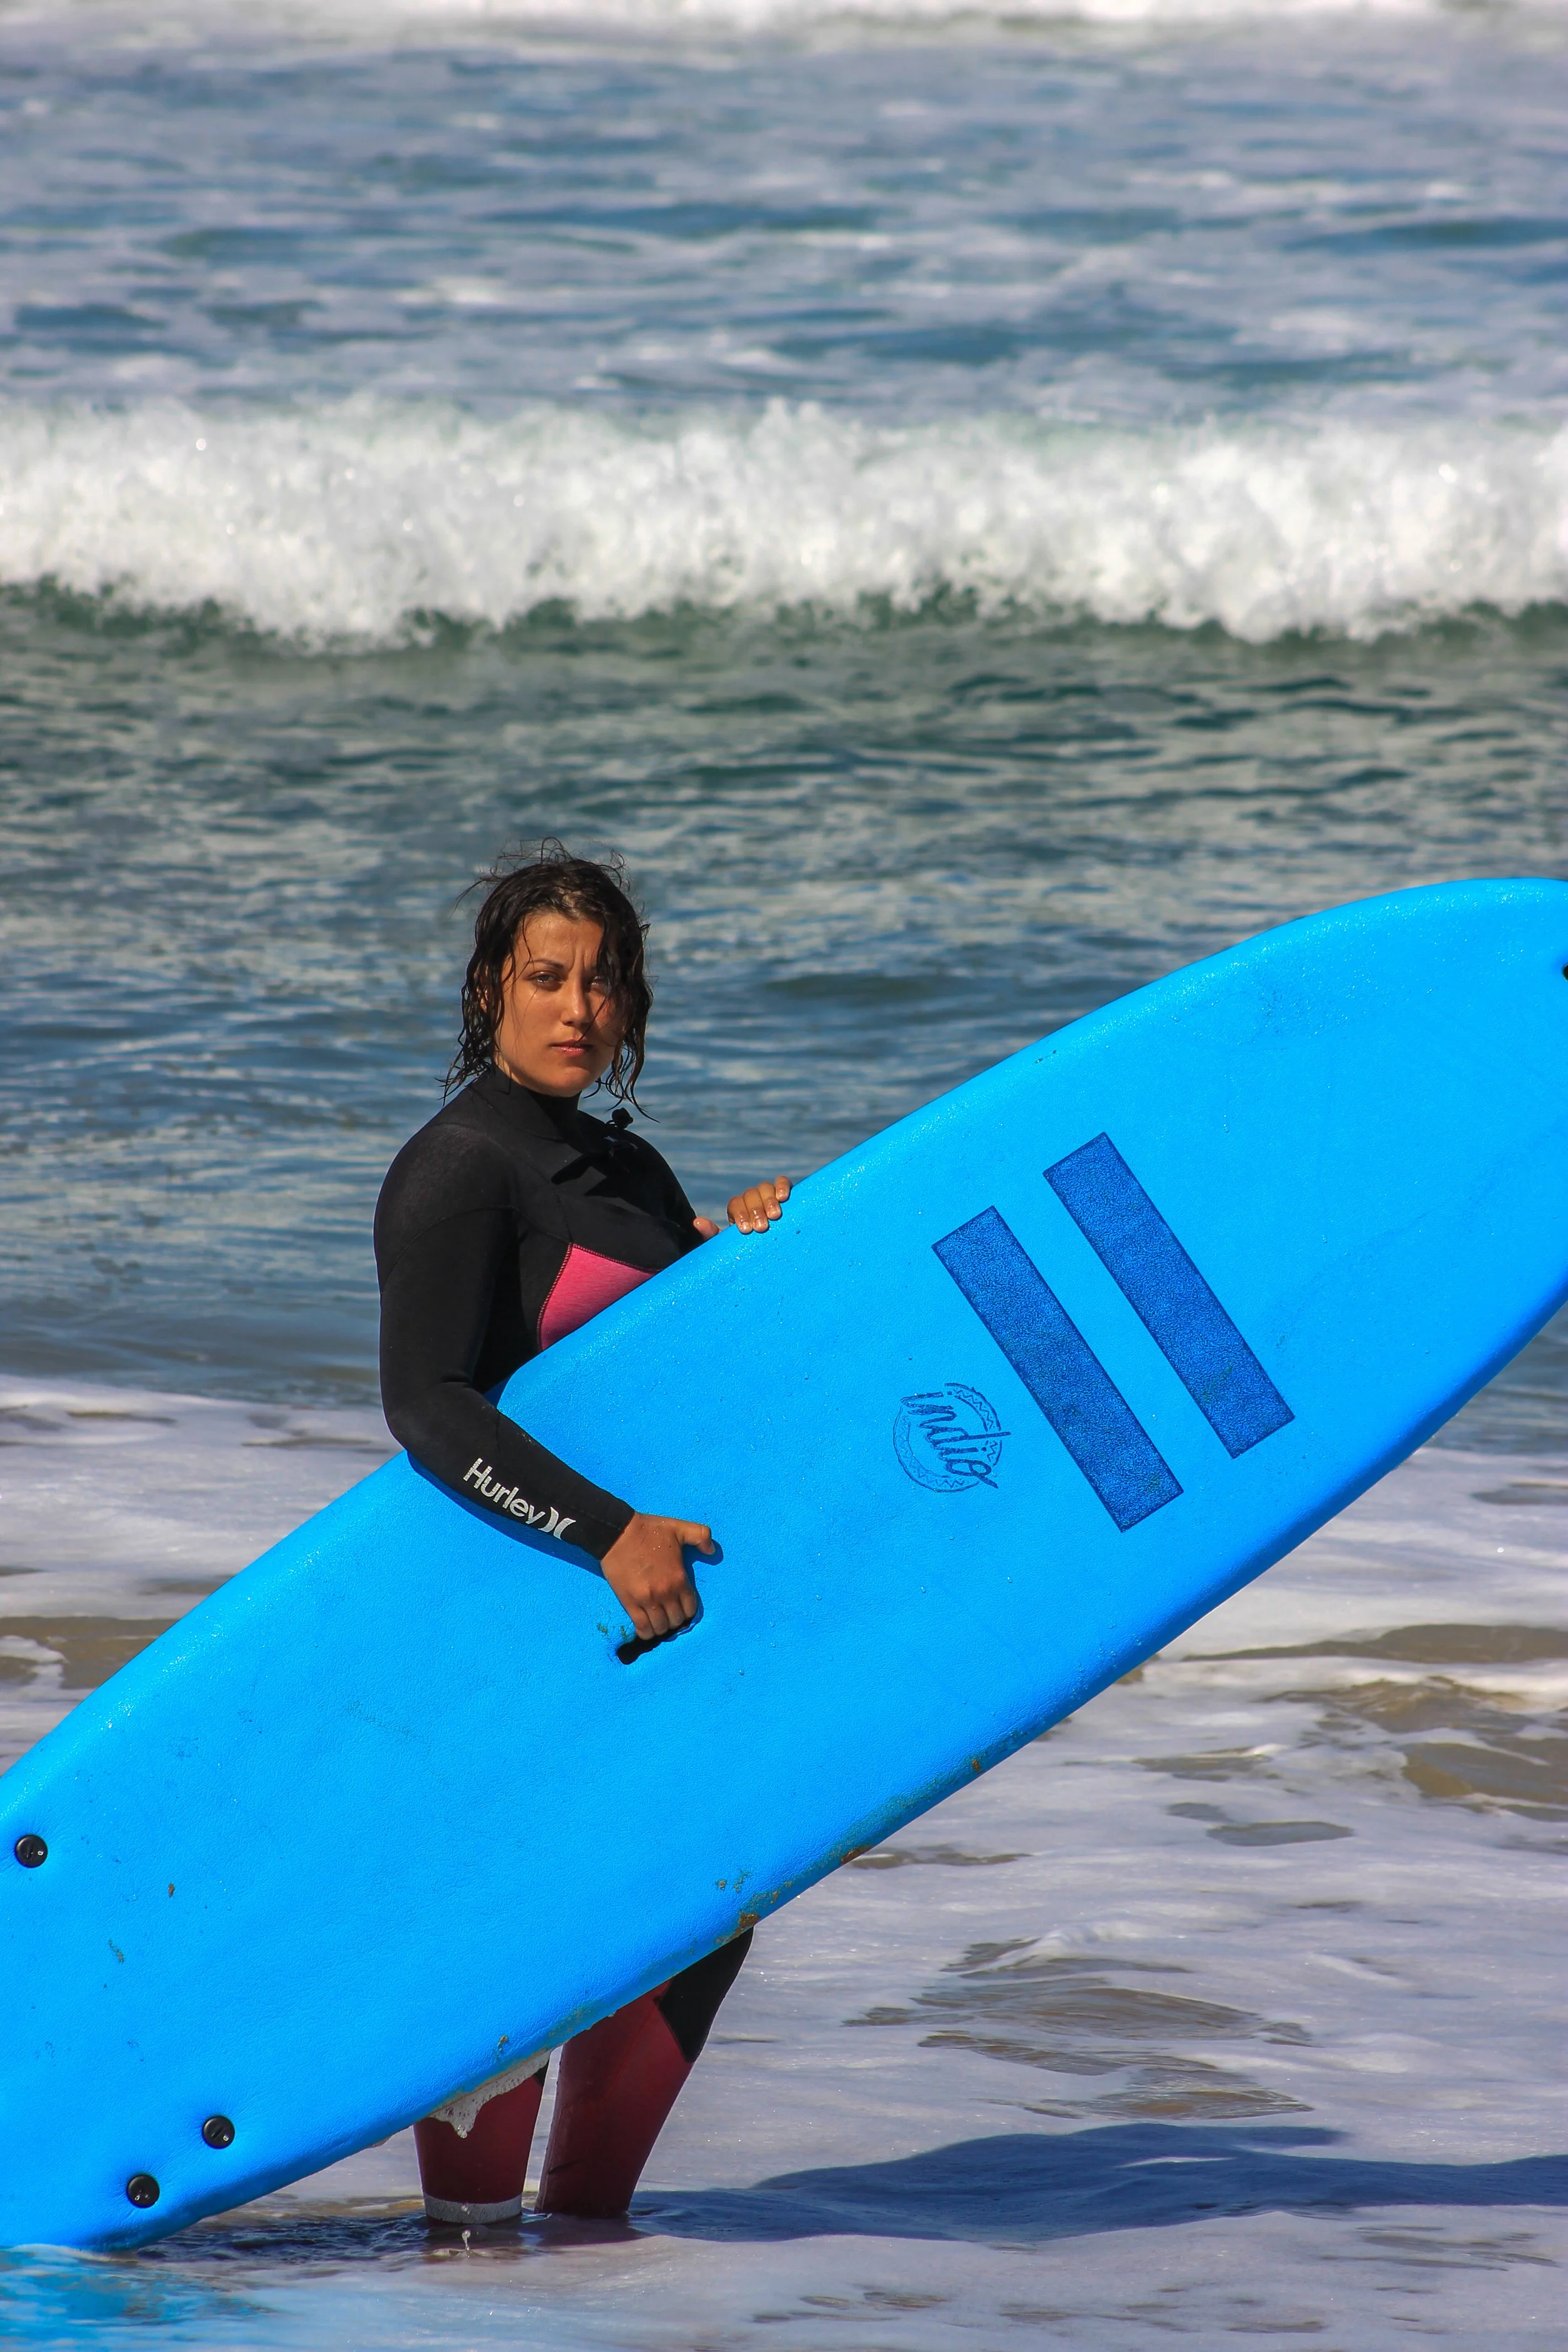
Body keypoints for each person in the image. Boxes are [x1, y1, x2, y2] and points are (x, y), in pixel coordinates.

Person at [373, 844, 789, 2228]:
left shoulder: (625, 1164)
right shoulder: (454, 1167)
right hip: (522, 1612)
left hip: (654, 1626)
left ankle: (587, 2241)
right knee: (521, 1936)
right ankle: (467, 2249)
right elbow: (427, 1404)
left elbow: (659, 1362)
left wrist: (729, 1249)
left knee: (703, 1912)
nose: (577, 1008)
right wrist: (608, 1532)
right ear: (490, 986)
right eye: (545, 978)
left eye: (603, 982)